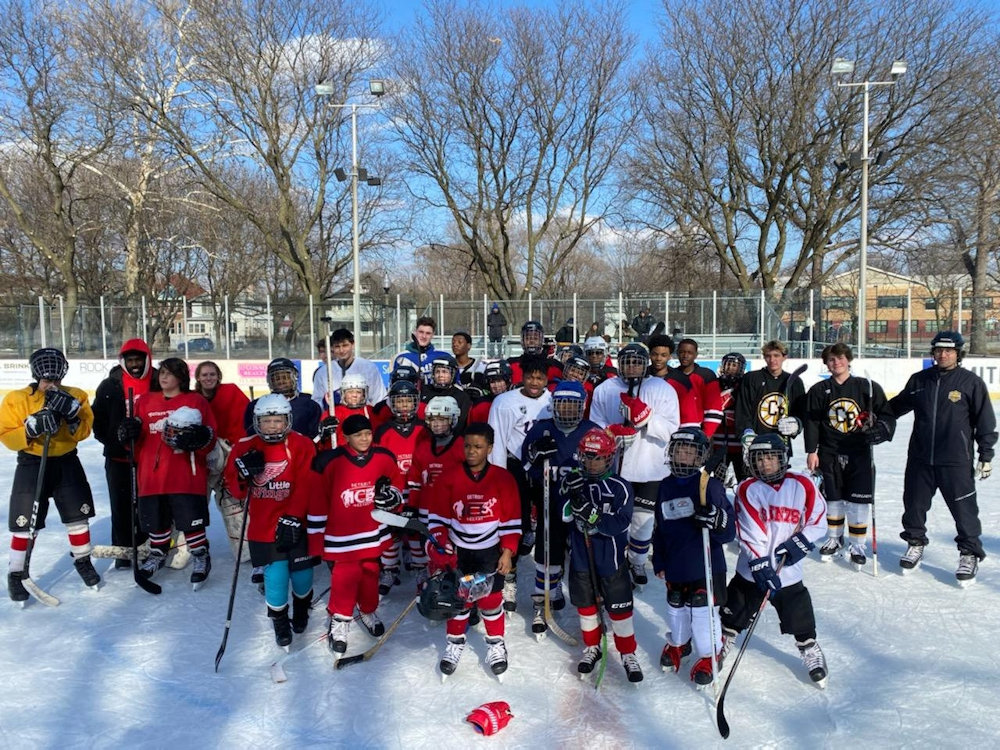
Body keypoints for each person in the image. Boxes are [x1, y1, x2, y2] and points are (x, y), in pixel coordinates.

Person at [719, 433, 829, 688]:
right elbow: (749, 531)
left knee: (798, 612)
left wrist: (800, 543)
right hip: (752, 570)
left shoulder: (802, 484)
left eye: (771, 457)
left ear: (783, 458)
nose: (766, 463)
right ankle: (723, 640)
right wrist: (759, 564)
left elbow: (817, 519)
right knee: (736, 609)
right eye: (759, 458)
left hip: (788, 570)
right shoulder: (747, 488)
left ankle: (809, 647)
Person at [888, 331, 997, 584]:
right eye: (938, 350)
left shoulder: (970, 382)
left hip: (956, 460)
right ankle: (915, 542)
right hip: (920, 458)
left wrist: (986, 454)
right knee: (914, 505)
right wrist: (876, 416)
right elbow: (896, 407)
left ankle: (969, 552)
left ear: (959, 354)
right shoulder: (919, 381)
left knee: (964, 510)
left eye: (949, 350)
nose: (943, 354)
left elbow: (985, 422)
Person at [2, 348, 101, 601]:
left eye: (56, 380)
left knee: (77, 517)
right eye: (47, 381)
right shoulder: (17, 398)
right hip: (32, 463)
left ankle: (82, 561)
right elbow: (5, 434)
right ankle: (16, 573)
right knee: (25, 522)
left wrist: (72, 418)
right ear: (37, 377)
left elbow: (84, 431)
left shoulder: (76, 396)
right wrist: (31, 428)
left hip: (67, 462)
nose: (52, 385)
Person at [425, 422, 521, 679]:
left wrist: (508, 552)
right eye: (467, 446)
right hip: (460, 552)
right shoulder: (449, 478)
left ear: (489, 448)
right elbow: (437, 520)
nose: (471, 451)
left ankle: (496, 644)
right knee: (459, 601)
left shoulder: (503, 478)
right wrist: (440, 543)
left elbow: (511, 521)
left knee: (490, 600)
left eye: (478, 447)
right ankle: (455, 643)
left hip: (489, 552)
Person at [224, 394, 318, 647]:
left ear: (288, 420)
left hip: (297, 524)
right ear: (257, 422)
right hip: (264, 527)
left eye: (278, 420)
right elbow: (236, 490)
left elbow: (307, 484)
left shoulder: (302, 445)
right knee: (275, 578)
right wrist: (243, 475)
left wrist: (294, 517)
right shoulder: (245, 446)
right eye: (267, 421)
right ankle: (279, 619)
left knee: (302, 577)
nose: (273, 426)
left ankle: (301, 608)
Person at [117, 357, 217, 588]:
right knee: (156, 521)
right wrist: (127, 435)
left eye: (169, 373)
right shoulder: (145, 402)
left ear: (181, 377)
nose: (163, 377)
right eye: (161, 372)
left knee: (191, 521)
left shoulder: (195, 400)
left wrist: (202, 437)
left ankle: (200, 554)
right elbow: (136, 443)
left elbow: (210, 434)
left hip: (184, 475)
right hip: (151, 476)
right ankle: (157, 554)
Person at [309, 414, 402, 655]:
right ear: (346, 437)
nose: (364, 438)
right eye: (358, 435)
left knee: (371, 574)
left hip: (372, 531)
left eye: (368, 434)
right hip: (342, 535)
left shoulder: (383, 457)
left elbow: (398, 482)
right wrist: (316, 539)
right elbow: (318, 501)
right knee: (344, 577)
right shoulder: (329, 461)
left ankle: (368, 610)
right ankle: (340, 619)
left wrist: (394, 497)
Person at [589, 342, 679, 588]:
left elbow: (672, 428)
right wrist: (612, 433)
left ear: (645, 364)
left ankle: (637, 559)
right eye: (627, 362)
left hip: (651, 466)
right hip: (614, 467)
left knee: (643, 521)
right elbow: (595, 426)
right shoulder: (605, 389)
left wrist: (647, 419)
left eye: (637, 362)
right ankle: (616, 561)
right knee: (615, 518)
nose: (632, 367)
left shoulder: (662, 388)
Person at [652, 427, 735, 687]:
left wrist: (716, 519)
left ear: (701, 457)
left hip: (706, 565)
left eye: (691, 451)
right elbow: (660, 527)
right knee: (675, 603)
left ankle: (710, 653)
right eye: (680, 450)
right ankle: (679, 643)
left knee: (701, 607)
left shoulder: (709, 486)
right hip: (676, 562)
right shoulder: (665, 486)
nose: (685, 455)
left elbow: (728, 531)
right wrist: (659, 559)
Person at [559, 428, 642, 682]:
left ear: (609, 458)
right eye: (586, 457)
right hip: (582, 558)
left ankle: (628, 653)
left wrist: (592, 514)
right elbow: (564, 515)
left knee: (619, 610)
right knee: (586, 607)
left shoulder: (620, 486)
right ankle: (592, 647)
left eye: (597, 458)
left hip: (611, 559)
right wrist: (571, 495)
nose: (591, 463)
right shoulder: (575, 480)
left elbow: (621, 522)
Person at [804, 343, 895, 569]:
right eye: (831, 360)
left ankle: (857, 543)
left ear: (848, 359)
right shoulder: (818, 390)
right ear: (826, 363)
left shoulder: (867, 387)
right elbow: (812, 422)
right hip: (829, 451)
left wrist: (880, 430)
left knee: (858, 500)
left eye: (840, 358)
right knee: (833, 498)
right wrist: (811, 451)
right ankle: (834, 538)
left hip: (859, 452)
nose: (836, 363)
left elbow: (886, 415)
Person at [521, 380, 598, 635]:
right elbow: (526, 468)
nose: (566, 410)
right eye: (561, 404)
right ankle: (544, 600)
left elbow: (605, 469)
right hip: (550, 504)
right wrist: (534, 455)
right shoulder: (541, 430)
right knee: (547, 555)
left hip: (581, 507)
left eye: (572, 405)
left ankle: (591, 606)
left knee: (584, 557)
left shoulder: (592, 431)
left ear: (582, 406)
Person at [487, 356, 553, 610]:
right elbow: (498, 440)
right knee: (514, 521)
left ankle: (548, 579)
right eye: (530, 377)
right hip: (515, 467)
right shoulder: (505, 402)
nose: (534, 382)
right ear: (521, 377)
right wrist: (498, 476)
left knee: (548, 522)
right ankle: (510, 577)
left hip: (544, 467)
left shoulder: (552, 400)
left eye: (539, 377)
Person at [92, 339, 159, 569]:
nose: (135, 365)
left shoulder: (159, 381)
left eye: (138, 359)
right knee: (121, 506)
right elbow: (97, 420)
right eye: (130, 360)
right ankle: (123, 551)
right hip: (119, 458)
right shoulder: (109, 386)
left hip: (151, 458)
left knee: (149, 505)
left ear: (147, 359)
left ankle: (150, 549)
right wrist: (114, 439)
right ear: (123, 362)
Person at [194, 361, 252, 560]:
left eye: (212, 374)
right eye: (204, 375)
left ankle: (245, 549)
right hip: (202, 460)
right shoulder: (193, 399)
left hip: (229, 457)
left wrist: (236, 451)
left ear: (218, 376)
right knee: (193, 505)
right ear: (198, 378)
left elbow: (247, 422)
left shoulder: (231, 392)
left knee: (232, 503)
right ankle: (186, 548)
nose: (208, 378)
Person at [373, 379, 425, 595]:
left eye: (408, 401)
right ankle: (389, 568)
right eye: (399, 401)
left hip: (416, 490)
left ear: (416, 403)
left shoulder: (424, 428)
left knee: (415, 530)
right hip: (393, 491)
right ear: (392, 404)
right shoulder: (384, 430)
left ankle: (421, 568)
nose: (404, 406)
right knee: (391, 530)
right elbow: (377, 458)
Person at [734, 339, 805, 449]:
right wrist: (746, 430)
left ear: (784, 357)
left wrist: (797, 423)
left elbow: (801, 412)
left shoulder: (794, 381)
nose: (772, 360)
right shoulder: (752, 378)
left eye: (776, 355)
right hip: (755, 442)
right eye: (768, 356)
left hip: (781, 444)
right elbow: (743, 409)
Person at [244, 358, 321, 440]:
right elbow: (251, 435)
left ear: (294, 377)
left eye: (285, 377)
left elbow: (315, 437)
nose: (281, 381)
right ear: (269, 381)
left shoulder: (309, 404)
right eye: (276, 379)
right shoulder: (257, 405)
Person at [312, 329, 386, 411]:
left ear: (353, 344)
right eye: (337, 346)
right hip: (335, 419)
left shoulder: (369, 368)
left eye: (345, 345)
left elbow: (378, 398)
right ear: (332, 347)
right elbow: (316, 401)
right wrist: (326, 403)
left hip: (362, 419)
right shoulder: (323, 372)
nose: (341, 350)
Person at [712, 352, 748, 483]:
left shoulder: (745, 385)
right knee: (717, 481)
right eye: (728, 364)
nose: (731, 368)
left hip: (739, 443)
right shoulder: (715, 384)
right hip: (719, 443)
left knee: (744, 480)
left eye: (734, 365)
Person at [506, 321, 562, 386]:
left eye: (535, 338)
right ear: (522, 340)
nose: (531, 341)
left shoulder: (555, 366)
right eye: (527, 338)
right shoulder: (511, 364)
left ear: (541, 340)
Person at [393, 316, 437, 386]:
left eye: (428, 333)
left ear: (433, 335)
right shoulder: (402, 358)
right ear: (415, 332)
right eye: (421, 332)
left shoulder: (440, 356)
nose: (424, 336)